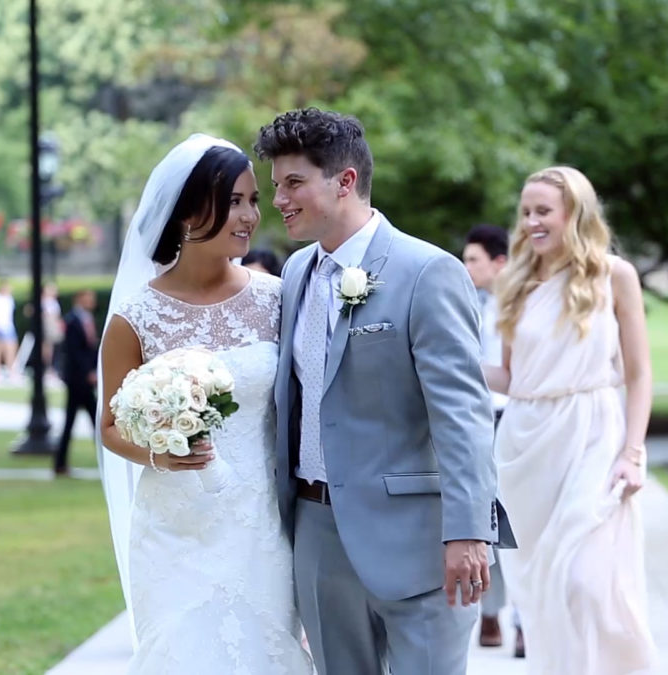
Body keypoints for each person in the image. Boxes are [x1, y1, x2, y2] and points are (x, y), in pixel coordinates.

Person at [256, 107, 513, 674]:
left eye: (293, 183)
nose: (279, 199)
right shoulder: (296, 273)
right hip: (318, 535)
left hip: (419, 540)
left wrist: (469, 531)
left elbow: (463, 414)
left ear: (345, 181)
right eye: (277, 186)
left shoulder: (428, 272)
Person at [98, 134, 313, 673]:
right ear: (190, 212)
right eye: (234, 201)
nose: (250, 216)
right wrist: (160, 455)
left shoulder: (276, 298)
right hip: (174, 526)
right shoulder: (135, 317)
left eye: (253, 201)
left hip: (259, 521)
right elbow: (109, 425)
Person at [485, 166, 657, 674]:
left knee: (584, 581)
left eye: (543, 211)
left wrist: (633, 451)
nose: (532, 222)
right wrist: (451, 364)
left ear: (573, 214)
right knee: (542, 594)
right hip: (528, 445)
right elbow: (515, 378)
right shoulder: (515, 281)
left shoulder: (614, 275)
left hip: (594, 436)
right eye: (526, 212)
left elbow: (641, 373)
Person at [462, 223, 525, 657]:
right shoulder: (473, 303)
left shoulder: (522, 306)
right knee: (487, 517)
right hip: (480, 418)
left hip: (515, 419)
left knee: (517, 520)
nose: (466, 268)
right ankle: (491, 612)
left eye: (473, 260)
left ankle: (523, 620)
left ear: (499, 262)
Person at [53, 289, 98, 477]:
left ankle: (60, 463)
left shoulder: (87, 319)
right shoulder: (72, 321)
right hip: (77, 380)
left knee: (94, 420)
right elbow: (74, 352)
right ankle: (60, 463)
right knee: (89, 420)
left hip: (85, 379)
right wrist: (87, 372)